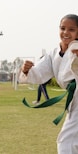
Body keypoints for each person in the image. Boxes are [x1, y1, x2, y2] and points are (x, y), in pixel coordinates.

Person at [19, 14, 78, 154]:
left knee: (66, 143)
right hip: (74, 103)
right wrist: (26, 70)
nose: (66, 32)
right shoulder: (53, 54)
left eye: (71, 29)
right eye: (63, 28)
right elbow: (39, 74)